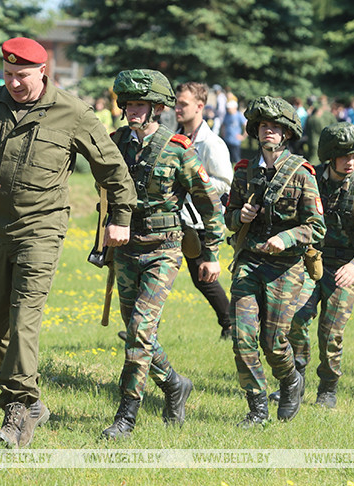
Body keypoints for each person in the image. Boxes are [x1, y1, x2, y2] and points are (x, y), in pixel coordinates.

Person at [0, 37, 136, 448]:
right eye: (7, 74)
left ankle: (17, 410)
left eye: (22, 76)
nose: (13, 83)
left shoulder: (74, 112)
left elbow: (113, 170)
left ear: (43, 72)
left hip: (41, 229)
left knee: (23, 316)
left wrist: (120, 218)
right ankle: (32, 403)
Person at [102, 70, 225, 440]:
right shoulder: (116, 143)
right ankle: (174, 384)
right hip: (125, 248)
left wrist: (211, 253)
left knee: (140, 330)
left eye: (140, 104)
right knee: (137, 333)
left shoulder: (177, 149)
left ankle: (126, 416)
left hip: (164, 249)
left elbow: (209, 203)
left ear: (157, 107)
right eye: (128, 104)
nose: (132, 111)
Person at [224, 96, 326, 426]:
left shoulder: (301, 173)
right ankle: (256, 408)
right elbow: (229, 217)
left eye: (276, 127)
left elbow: (317, 226)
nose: (269, 131)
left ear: (286, 133)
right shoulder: (244, 171)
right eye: (264, 126)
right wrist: (241, 215)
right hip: (250, 262)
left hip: (286, 268)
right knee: (242, 338)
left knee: (274, 342)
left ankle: (290, 380)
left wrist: (286, 237)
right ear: (256, 131)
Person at [271, 123, 354, 409]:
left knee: (331, 331)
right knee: (295, 318)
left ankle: (328, 387)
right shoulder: (310, 180)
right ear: (330, 156)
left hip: (346, 268)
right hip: (310, 263)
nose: (351, 162)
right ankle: (295, 380)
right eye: (345, 156)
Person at [174, 81, 234, 339]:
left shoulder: (212, 144)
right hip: (173, 219)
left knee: (203, 279)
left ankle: (231, 324)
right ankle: (141, 329)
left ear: (200, 106)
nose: (177, 108)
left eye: (183, 104)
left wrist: (194, 185)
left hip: (197, 223)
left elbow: (225, 182)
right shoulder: (174, 137)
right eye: (177, 103)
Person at [304, 96, 338, 164]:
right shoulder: (328, 115)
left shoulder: (311, 117)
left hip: (312, 141)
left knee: (313, 159)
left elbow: (306, 129)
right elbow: (336, 128)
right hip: (322, 142)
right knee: (316, 161)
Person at [221, 100, 247, 165]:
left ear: (235, 107)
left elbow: (246, 126)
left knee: (236, 159)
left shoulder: (239, 115)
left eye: (229, 108)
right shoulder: (227, 115)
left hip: (235, 141)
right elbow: (223, 125)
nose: (228, 109)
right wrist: (223, 134)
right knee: (227, 158)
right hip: (227, 140)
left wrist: (243, 136)